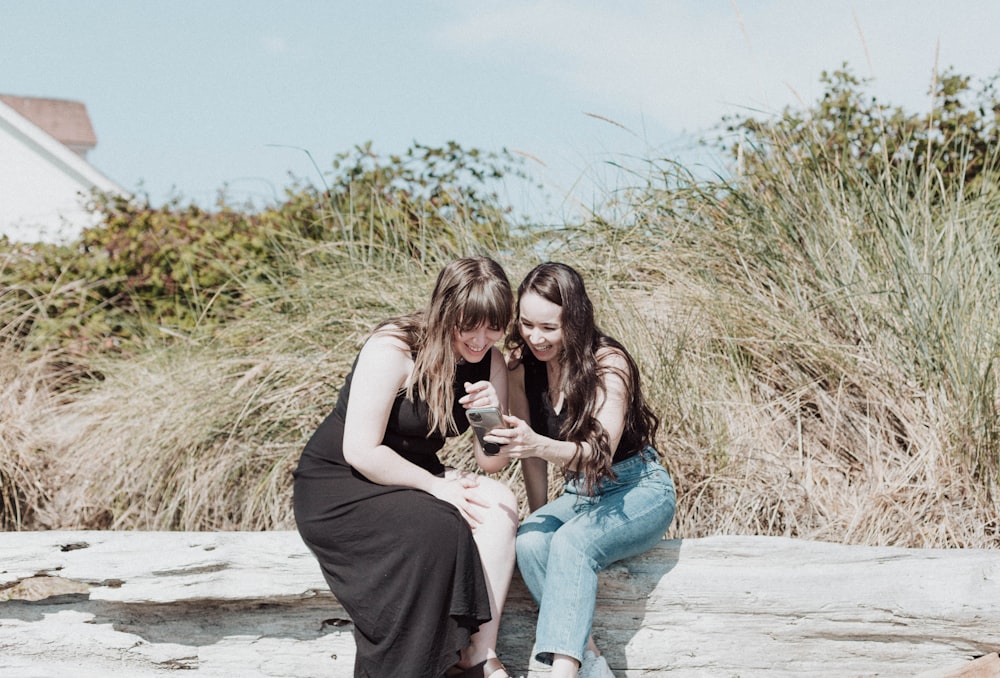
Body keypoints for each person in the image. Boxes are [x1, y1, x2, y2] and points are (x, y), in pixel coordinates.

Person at [293, 256, 518, 678]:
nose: (480, 339)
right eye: (469, 325)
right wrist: (437, 489)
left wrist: (489, 417)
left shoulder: (492, 362)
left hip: (411, 474)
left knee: (500, 505)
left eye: (494, 326)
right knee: (438, 527)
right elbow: (361, 450)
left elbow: (493, 463)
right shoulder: (394, 348)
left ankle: (478, 654)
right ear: (444, 311)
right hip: (341, 481)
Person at [489, 262, 677, 678]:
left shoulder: (609, 363)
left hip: (638, 488)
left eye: (549, 328)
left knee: (572, 544)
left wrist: (537, 442)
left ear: (573, 321)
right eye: (526, 324)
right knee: (532, 542)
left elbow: (598, 454)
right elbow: (531, 453)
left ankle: (562, 673)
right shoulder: (523, 365)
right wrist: (538, 519)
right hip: (582, 494)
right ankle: (590, 663)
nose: (535, 337)